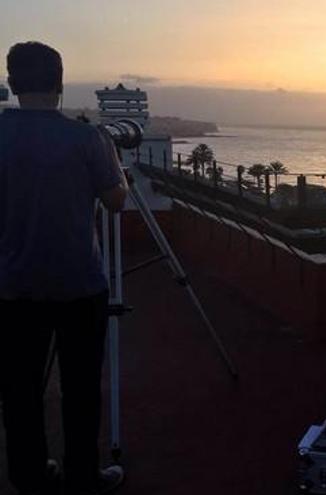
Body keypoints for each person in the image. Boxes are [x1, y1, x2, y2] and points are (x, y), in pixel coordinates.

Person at [0, 42, 129, 495]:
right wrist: (119, 167)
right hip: (79, 286)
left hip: (12, 288)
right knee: (81, 390)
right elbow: (116, 202)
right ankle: (82, 477)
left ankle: (30, 477)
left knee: (18, 390)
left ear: (13, 83)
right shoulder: (87, 139)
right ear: (59, 82)